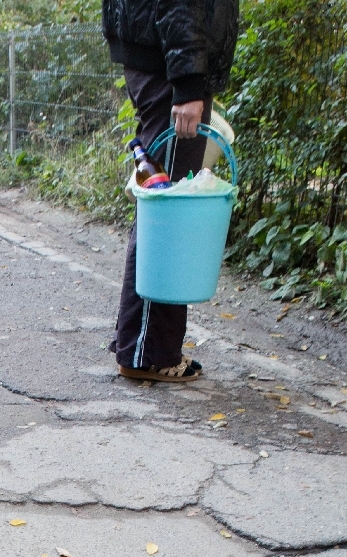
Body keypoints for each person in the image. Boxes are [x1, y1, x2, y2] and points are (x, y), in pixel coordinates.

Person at [103, 0, 239, 382]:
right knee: (168, 213)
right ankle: (148, 353)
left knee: (164, 207)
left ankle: (147, 346)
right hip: (169, 67)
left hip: (161, 59)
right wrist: (188, 82)